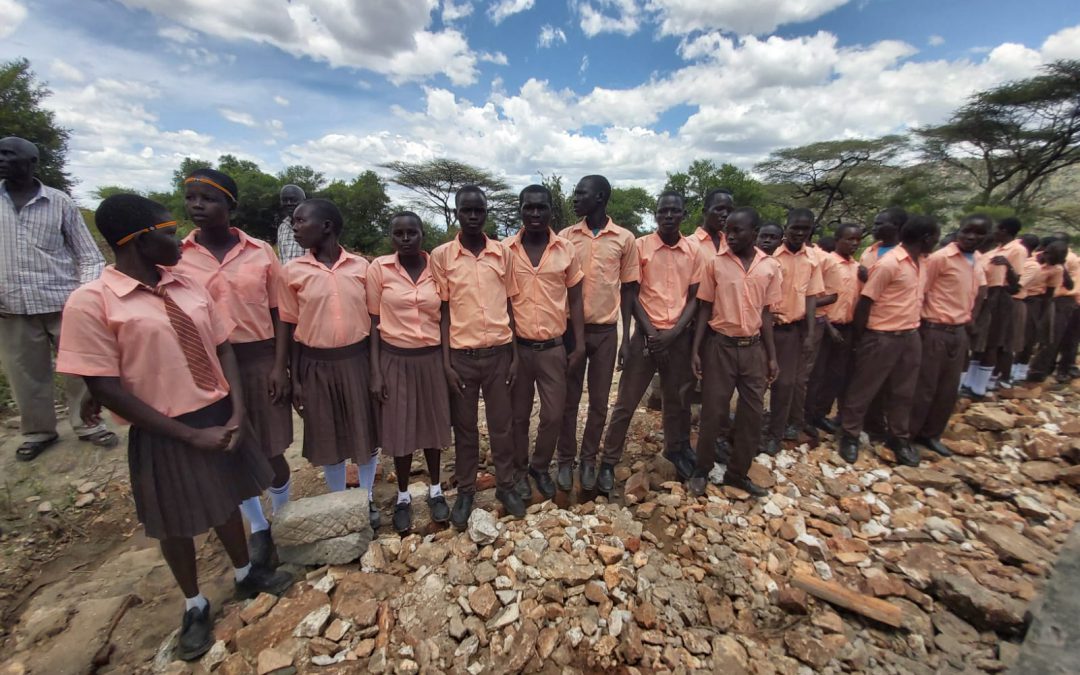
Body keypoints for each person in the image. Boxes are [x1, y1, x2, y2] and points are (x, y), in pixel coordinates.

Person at [56, 194, 292, 661]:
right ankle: (195, 602)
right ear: (141, 241)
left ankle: (246, 572)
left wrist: (237, 411)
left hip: (216, 412)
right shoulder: (92, 302)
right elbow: (104, 386)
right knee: (174, 521)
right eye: (167, 232)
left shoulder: (185, 286)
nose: (177, 240)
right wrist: (187, 434)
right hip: (163, 426)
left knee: (228, 498)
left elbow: (222, 346)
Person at [172, 168, 292, 567]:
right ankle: (258, 527)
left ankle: (284, 517)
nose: (197, 206)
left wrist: (280, 365)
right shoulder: (177, 258)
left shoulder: (261, 252)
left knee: (272, 447)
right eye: (191, 198)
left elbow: (279, 311)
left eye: (208, 199)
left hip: (259, 358)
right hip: (207, 364)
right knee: (231, 448)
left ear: (230, 206)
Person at [0, 136, 116, 460]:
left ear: (32, 161)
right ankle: (38, 432)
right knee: (24, 371)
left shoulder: (59, 202)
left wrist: (82, 300)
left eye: (10, 154)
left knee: (81, 370)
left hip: (63, 302)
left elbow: (90, 257)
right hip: (11, 306)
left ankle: (88, 425)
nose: (3, 159)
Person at [277, 199, 379, 525]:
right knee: (328, 435)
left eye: (300, 221)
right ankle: (339, 502)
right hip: (315, 364)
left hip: (357, 360)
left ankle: (366, 498)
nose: (294, 227)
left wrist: (376, 369)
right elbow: (289, 325)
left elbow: (375, 322)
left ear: (326, 226)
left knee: (365, 432)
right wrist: (293, 376)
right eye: (293, 222)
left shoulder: (362, 268)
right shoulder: (293, 272)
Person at [431, 186, 521, 526]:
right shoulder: (441, 256)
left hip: (499, 354)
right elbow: (442, 312)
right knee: (465, 428)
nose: (472, 216)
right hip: (461, 358)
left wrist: (513, 356)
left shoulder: (502, 253)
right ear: (456, 213)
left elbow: (511, 304)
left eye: (478, 210)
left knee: (502, 425)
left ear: (486, 213)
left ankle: (505, 485)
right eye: (466, 210)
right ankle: (466, 490)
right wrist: (445, 363)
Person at [601, 192, 702, 489]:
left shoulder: (694, 251)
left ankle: (676, 449)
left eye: (675, 211)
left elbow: (695, 298)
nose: (668, 215)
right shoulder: (641, 247)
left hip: (678, 337)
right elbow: (630, 294)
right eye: (663, 211)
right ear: (655, 214)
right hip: (645, 338)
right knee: (625, 402)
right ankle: (608, 461)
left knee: (677, 400)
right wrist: (652, 333)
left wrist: (673, 334)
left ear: (683, 214)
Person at [367, 212, 452, 534]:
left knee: (432, 425)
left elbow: (444, 315)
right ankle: (403, 496)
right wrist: (375, 371)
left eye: (411, 232)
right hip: (395, 358)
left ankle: (435, 489)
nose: (405, 238)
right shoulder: (379, 269)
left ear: (421, 235)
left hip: (430, 357)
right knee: (400, 429)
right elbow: (373, 321)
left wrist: (446, 361)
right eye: (398, 233)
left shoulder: (437, 268)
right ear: (391, 237)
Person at [688, 207, 781, 498]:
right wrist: (696, 350)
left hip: (752, 348)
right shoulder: (715, 264)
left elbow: (766, 316)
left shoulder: (769, 267)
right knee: (713, 413)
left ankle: (737, 474)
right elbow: (704, 308)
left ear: (754, 232)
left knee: (752, 414)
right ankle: (701, 470)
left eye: (737, 230)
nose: (730, 235)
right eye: (728, 229)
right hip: (721, 347)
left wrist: (771, 355)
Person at [556, 175, 640, 493]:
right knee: (569, 399)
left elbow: (630, 290)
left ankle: (589, 459)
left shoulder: (624, 239)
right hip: (570, 331)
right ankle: (565, 459)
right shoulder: (565, 237)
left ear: (600, 197)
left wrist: (628, 336)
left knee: (600, 401)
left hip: (606, 332)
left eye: (581, 193)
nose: (575, 199)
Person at [837, 216, 940, 467]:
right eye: (935, 238)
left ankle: (898, 437)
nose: (937, 243)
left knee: (904, 391)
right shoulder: (890, 263)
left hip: (910, 335)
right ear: (926, 238)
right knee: (864, 388)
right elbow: (866, 302)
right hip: (882, 335)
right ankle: (850, 434)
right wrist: (862, 339)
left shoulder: (923, 263)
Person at [505, 185, 585, 501]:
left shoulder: (566, 249)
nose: (535, 214)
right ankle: (520, 469)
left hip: (553, 348)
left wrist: (578, 345)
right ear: (520, 209)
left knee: (554, 414)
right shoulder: (505, 250)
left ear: (551, 210)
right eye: (529, 207)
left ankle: (540, 466)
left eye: (541, 208)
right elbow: (503, 304)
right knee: (518, 415)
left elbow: (576, 300)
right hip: (518, 349)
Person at [909, 215, 988, 458]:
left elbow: (981, 290)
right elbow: (920, 291)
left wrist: (971, 318)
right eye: (967, 231)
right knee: (924, 386)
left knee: (948, 388)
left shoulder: (976, 260)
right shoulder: (940, 259)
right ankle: (907, 435)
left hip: (959, 331)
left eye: (978, 233)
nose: (971, 237)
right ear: (959, 231)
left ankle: (931, 434)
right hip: (934, 329)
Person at [764, 209, 825, 454]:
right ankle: (748, 429)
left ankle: (775, 434)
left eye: (805, 229)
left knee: (785, 384)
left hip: (791, 331)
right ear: (786, 227)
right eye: (795, 228)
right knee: (756, 384)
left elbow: (811, 298)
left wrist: (810, 333)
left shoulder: (812, 260)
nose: (799, 233)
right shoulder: (770, 255)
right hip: (764, 328)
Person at [805, 224, 862, 435]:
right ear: (838, 240)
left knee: (836, 376)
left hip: (846, 328)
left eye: (857, 239)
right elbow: (815, 299)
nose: (854, 243)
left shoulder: (857, 268)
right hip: (826, 326)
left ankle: (821, 414)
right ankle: (807, 415)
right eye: (849, 239)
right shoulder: (827, 262)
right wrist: (828, 327)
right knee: (815, 374)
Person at [960, 217, 1025, 398]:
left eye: (997, 229)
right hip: (984, 296)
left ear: (1005, 230)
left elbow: (1013, 282)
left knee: (991, 342)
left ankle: (979, 387)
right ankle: (969, 383)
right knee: (979, 343)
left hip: (996, 299)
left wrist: (1008, 265)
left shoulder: (1015, 251)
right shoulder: (994, 251)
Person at [1030, 233, 1079, 382]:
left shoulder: (1066, 259)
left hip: (1062, 299)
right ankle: (1057, 368)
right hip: (1065, 299)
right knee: (1065, 337)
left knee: (1053, 335)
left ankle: (1041, 370)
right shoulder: (1066, 257)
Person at [1008, 234, 1043, 382]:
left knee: (1014, 340)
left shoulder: (1032, 265)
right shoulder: (1023, 261)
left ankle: (1012, 372)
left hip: (1021, 301)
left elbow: (1016, 287)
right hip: (1009, 301)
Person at [690, 188, 732, 256]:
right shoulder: (690, 244)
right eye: (719, 209)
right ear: (705, 212)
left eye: (729, 210)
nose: (725, 214)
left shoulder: (731, 244)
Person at [276, 185, 306, 264]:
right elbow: (281, 259)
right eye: (284, 200)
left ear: (304, 201)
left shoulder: (313, 227)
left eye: (293, 200)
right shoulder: (282, 227)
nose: (288, 203)